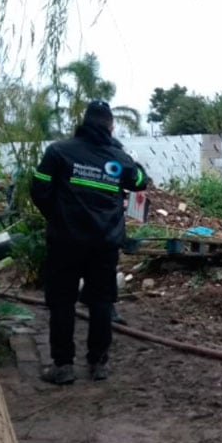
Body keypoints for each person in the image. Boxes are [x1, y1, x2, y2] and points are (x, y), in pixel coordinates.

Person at [31, 100, 148, 384]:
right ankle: (98, 364)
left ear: (84, 122)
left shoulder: (58, 151)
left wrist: (58, 217)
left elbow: (38, 189)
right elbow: (141, 181)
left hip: (65, 242)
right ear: (110, 125)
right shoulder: (118, 159)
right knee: (101, 302)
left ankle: (63, 366)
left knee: (62, 302)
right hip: (104, 244)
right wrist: (121, 153)